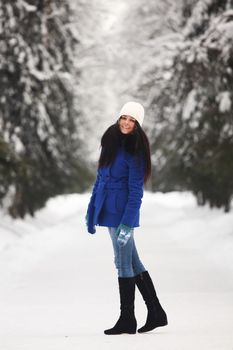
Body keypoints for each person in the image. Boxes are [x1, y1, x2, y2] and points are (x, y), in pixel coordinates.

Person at [85, 101, 168, 335]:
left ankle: (127, 319)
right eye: (124, 117)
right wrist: (92, 211)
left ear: (137, 125)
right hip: (107, 210)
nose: (126, 123)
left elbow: (136, 192)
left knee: (122, 263)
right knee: (132, 262)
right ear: (119, 118)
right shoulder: (110, 143)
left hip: (121, 215)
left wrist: (127, 223)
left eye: (132, 120)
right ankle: (156, 313)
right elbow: (99, 180)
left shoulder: (135, 151)